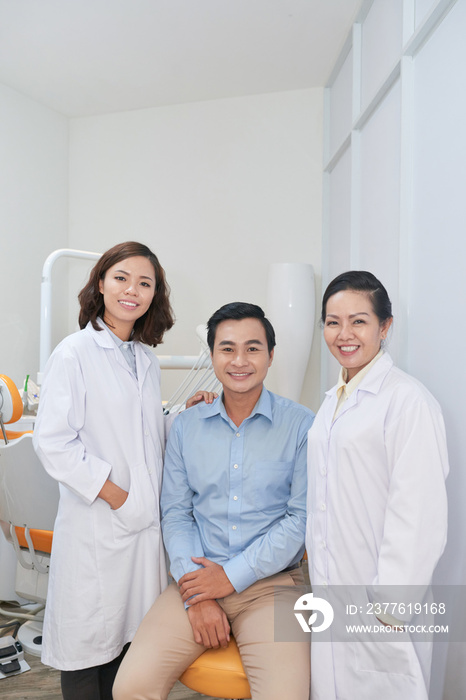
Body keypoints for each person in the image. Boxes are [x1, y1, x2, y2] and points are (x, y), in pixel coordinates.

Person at [33, 241, 214, 700]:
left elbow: (143, 435)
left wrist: (182, 416)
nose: (132, 290)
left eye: (145, 283)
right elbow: (53, 442)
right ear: (101, 283)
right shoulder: (75, 353)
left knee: (127, 645)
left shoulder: (143, 358)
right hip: (99, 523)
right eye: (121, 278)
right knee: (85, 645)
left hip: (140, 530)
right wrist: (116, 495)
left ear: (155, 294)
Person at [113, 302, 315, 700]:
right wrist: (197, 593)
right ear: (212, 356)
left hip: (273, 586)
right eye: (227, 348)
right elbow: (176, 513)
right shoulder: (187, 427)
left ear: (271, 356)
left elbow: (301, 519)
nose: (240, 360)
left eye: (253, 348)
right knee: (130, 688)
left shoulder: (303, 426)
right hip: (195, 579)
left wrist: (231, 576)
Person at [306, 271, 449, 700]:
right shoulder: (333, 400)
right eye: (332, 322)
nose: (344, 334)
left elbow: (418, 510)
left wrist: (390, 603)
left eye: (359, 321)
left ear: (385, 327)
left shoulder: (408, 402)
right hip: (333, 586)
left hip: (381, 596)